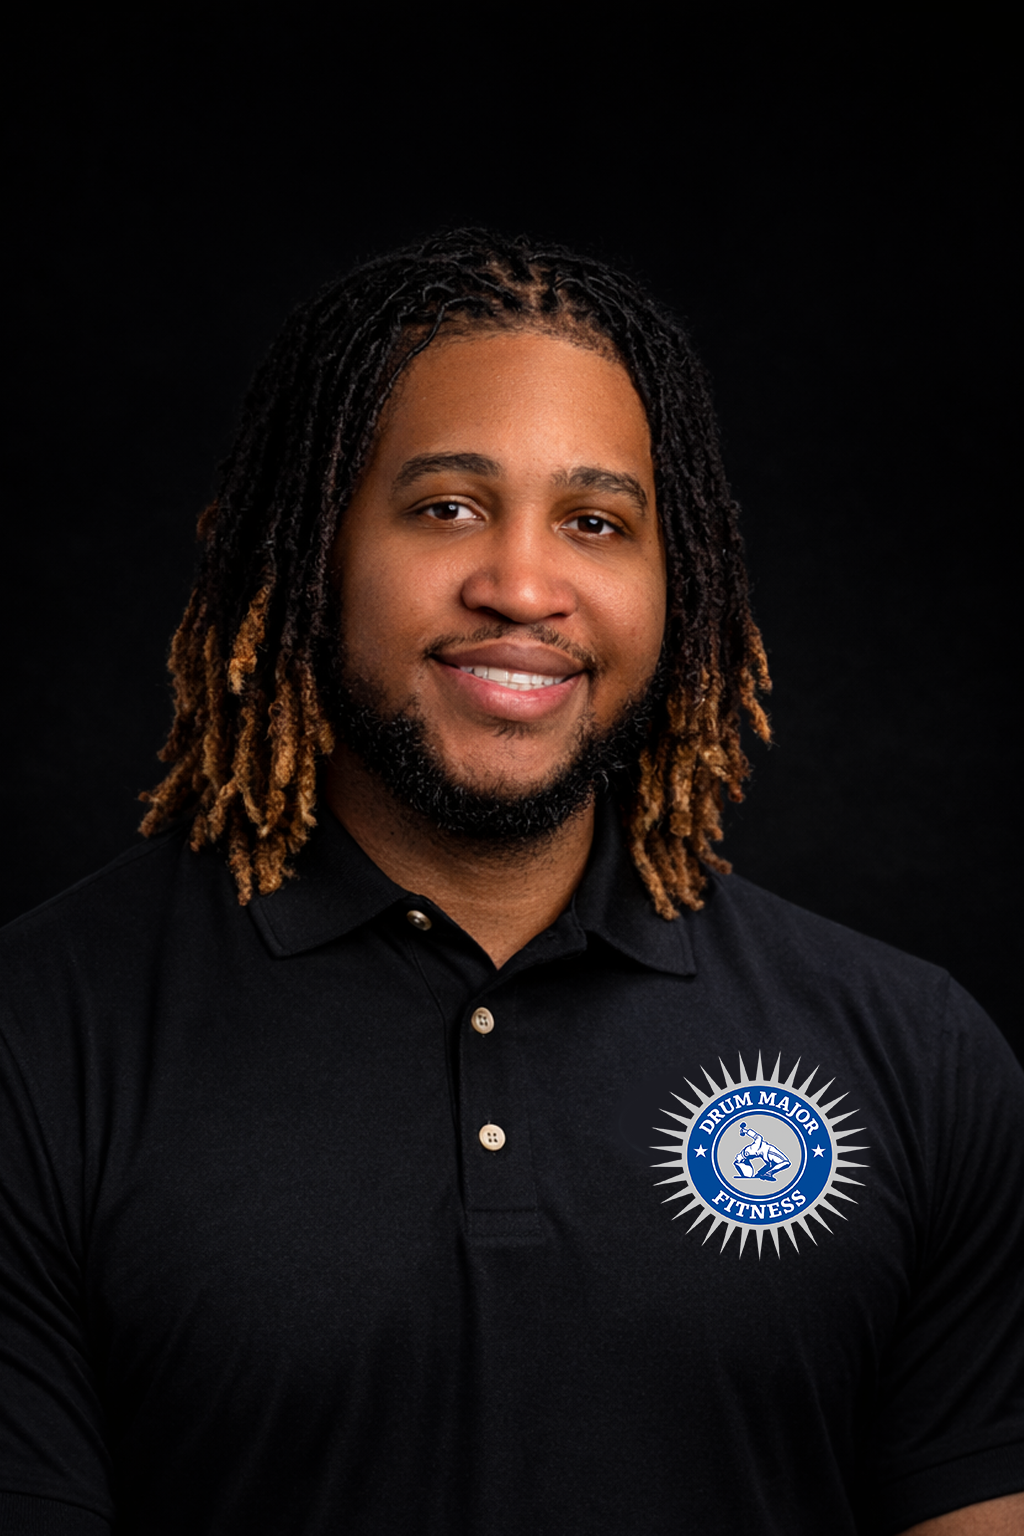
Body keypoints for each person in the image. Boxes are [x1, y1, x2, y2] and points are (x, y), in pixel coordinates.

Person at [0, 230, 1021, 1536]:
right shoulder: (38, 1042)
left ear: (676, 583)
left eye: (595, 524)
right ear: (308, 552)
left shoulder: (917, 1058)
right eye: (447, 507)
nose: (523, 587)